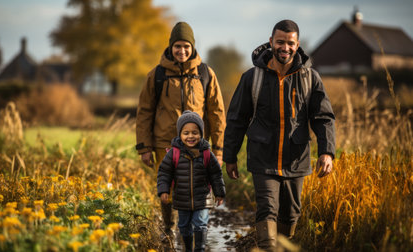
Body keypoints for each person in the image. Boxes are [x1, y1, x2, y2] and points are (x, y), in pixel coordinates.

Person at [223, 20, 335, 250]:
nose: (285, 47)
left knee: (291, 214)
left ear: (298, 44)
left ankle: (282, 246)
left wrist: (327, 151)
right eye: (280, 42)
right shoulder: (252, 78)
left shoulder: (310, 78)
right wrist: (230, 155)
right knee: (267, 208)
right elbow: (237, 118)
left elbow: (323, 118)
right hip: (263, 156)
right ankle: (267, 247)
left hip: (296, 157)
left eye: (290, 43)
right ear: (271, 41)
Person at [136, 21, 226, 239]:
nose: (182, 51)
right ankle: (168, 229)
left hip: (198, 146)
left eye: (186, 46)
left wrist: (219, 150)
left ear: (192, 47)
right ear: (170, 47)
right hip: (164, 144)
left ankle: (193, 232)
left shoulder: (206, 74)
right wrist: (144, 148)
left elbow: (216, 113)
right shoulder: (156, 75)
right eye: (178, 46)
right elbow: (144, 112)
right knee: (166, 189)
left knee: (195, 188)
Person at [157, 110, 225, 252]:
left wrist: (219, 192)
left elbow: (215, 174)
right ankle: (188, 248)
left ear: (201, 133)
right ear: (179, 134)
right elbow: (164, 172)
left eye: (195, 132)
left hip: (202, 197)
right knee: (184, 225)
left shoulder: (206, 153)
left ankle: (199, 249)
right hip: (182, 198)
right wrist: (164, 190)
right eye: (186, 133)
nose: (190, 136)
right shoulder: (174, 153)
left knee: (200, 224)